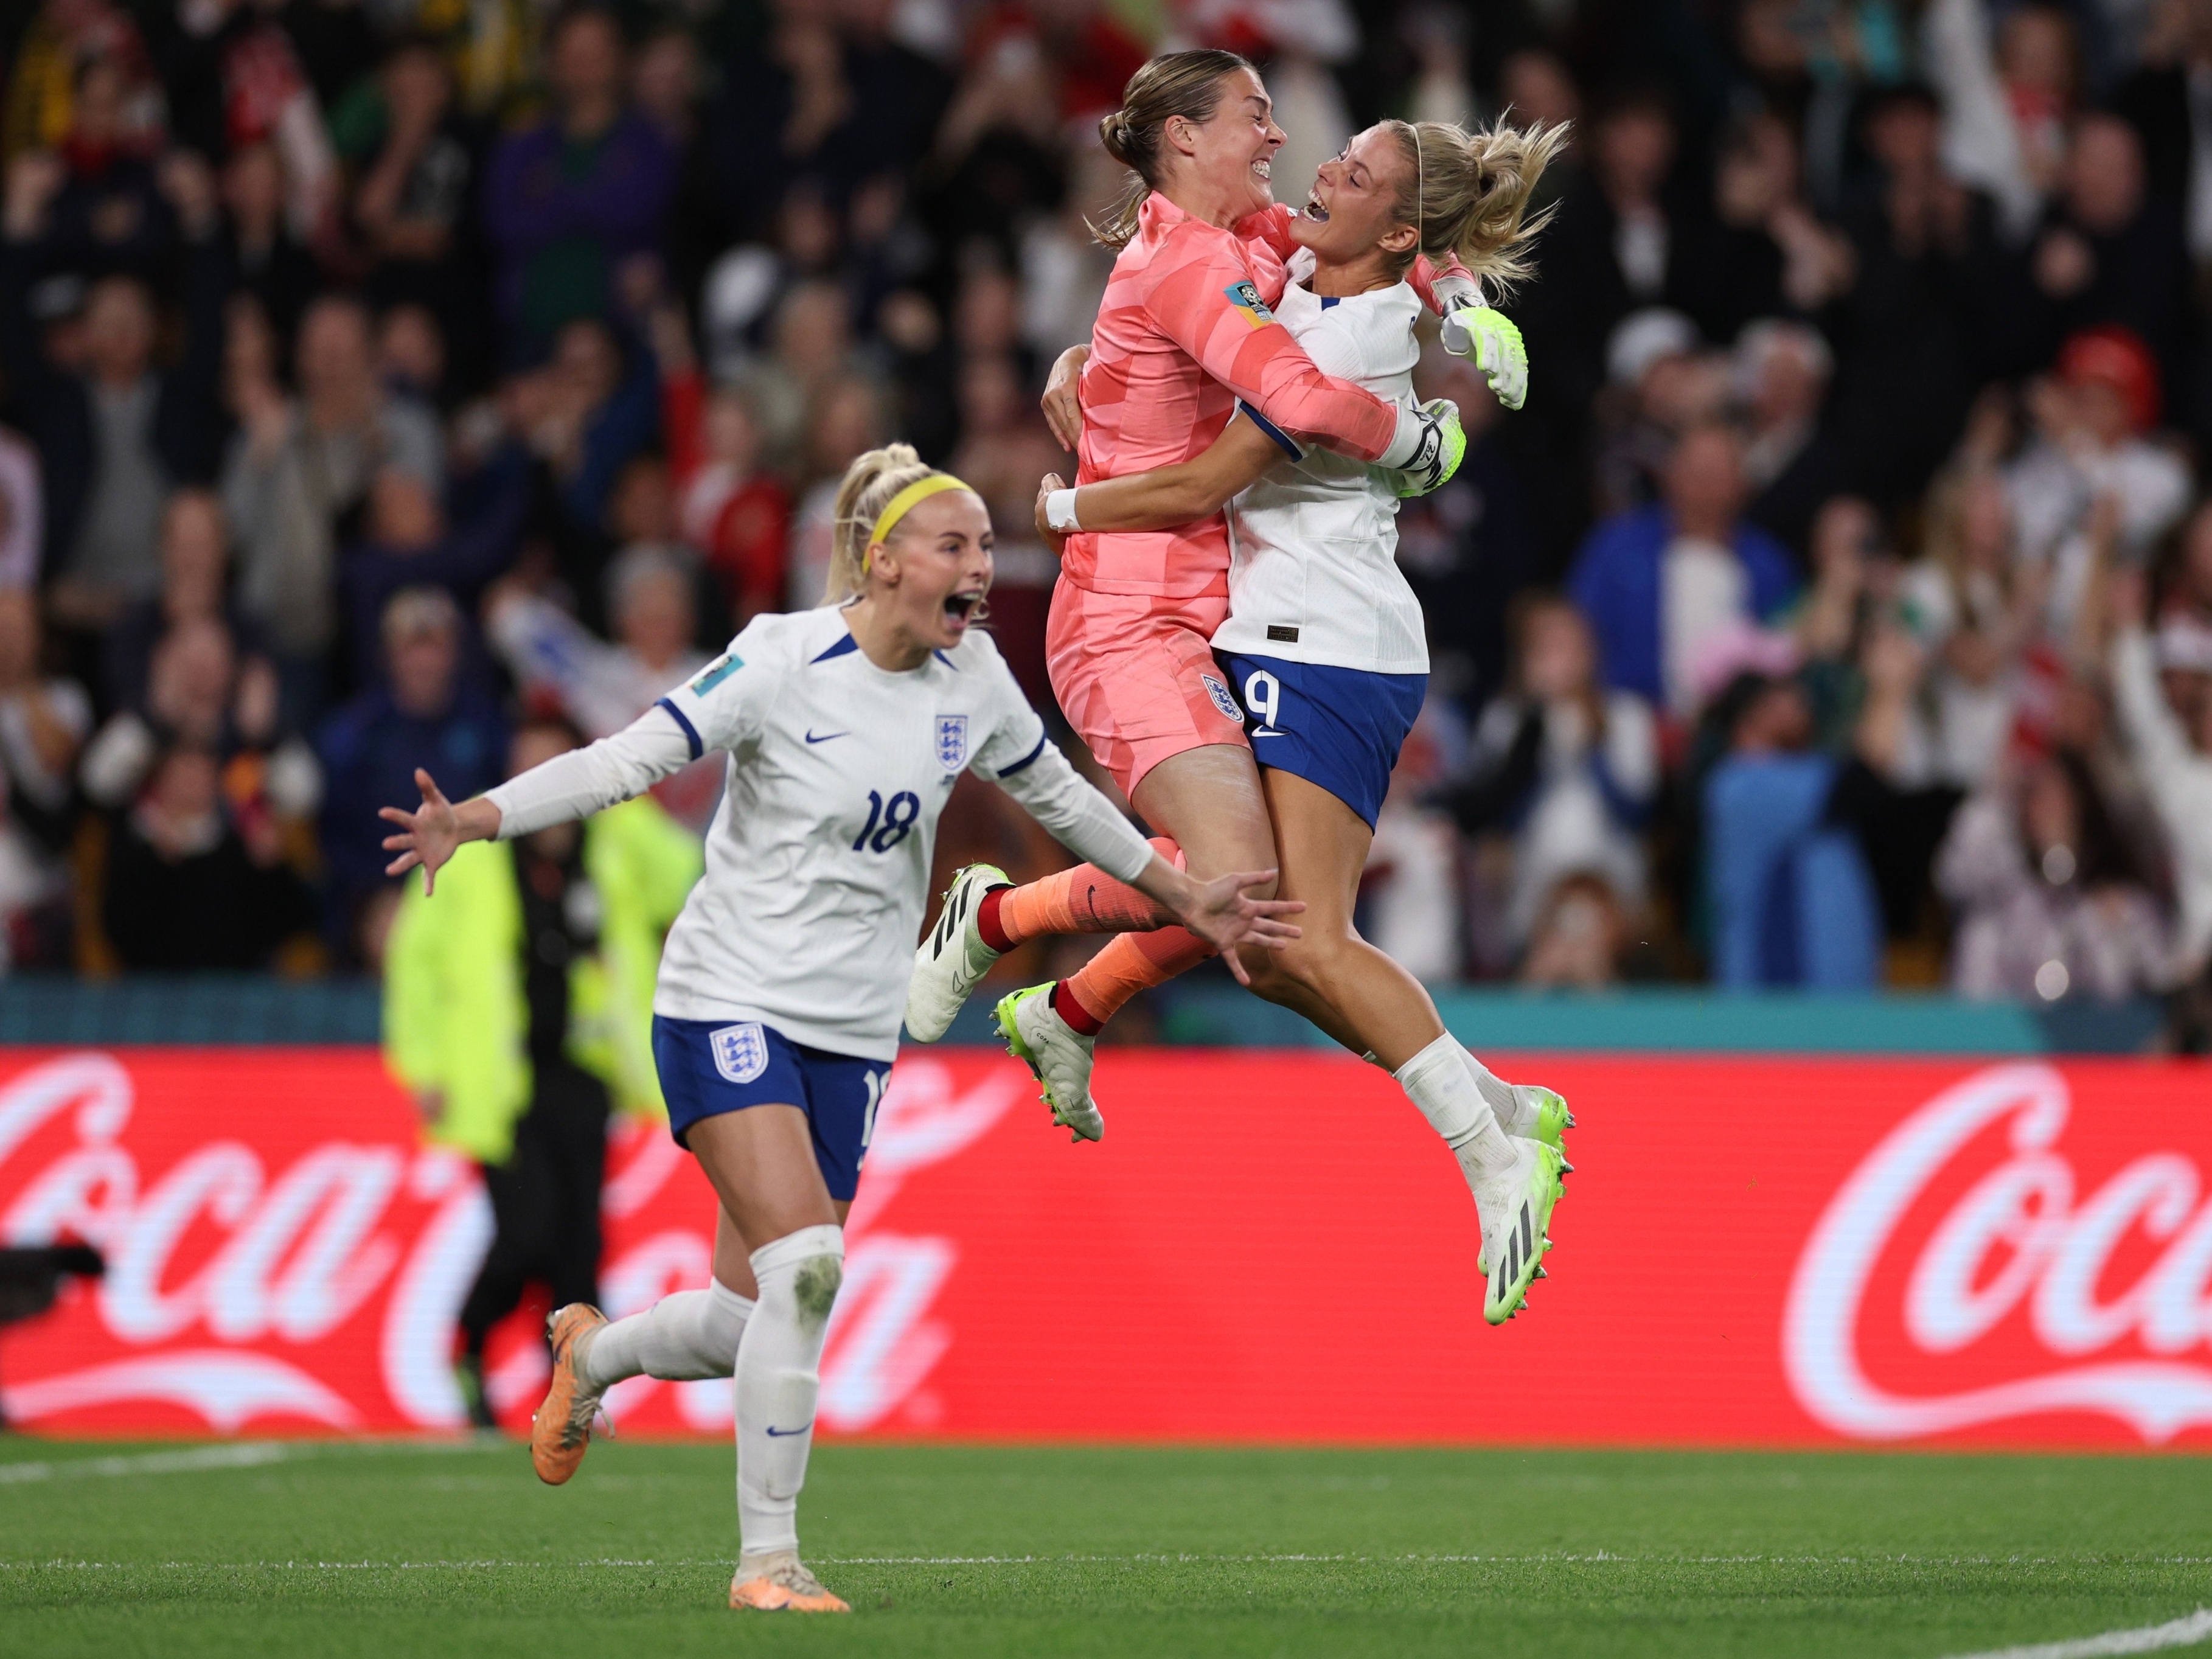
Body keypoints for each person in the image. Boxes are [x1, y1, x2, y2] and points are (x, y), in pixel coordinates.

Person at [375, 446, 1299, 1613]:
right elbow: (630, 758)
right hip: (725, 1000)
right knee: (808, 1268)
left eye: (981, 546)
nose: (981, 566)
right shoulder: (778, 658)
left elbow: (1064, 801)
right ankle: (768, 1562)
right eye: (956, 546)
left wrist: (1184, 896)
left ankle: (591, 1355)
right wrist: (479, 817)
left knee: (739, 1318)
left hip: (854, 1034)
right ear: (884, 561)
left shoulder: (974, 678)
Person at [908, 114, 1573, 1326]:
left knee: (1295, 937)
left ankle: (1491, 1145)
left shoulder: (1356, 335)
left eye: (1356, 174)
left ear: (1398, 226)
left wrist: (1061, 506)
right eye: (1337, 158)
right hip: (1287, 638)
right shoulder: (1314, 270)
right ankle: (1047, 979)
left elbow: (1207, 483)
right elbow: (1201, 294)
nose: (1322, 171)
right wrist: (1091, 368)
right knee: (1253, 919)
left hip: (1325, 650)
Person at [384, 717, 701, 1428]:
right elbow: (415, 965)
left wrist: (630, 793)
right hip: (498, 1083)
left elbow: (691, 876)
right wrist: (424, 1065)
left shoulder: (618, 841)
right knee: (527, 1231)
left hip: (586, 1075)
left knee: (579, 1246)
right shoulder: (470, 857)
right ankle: (471, 1346)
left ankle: (572, 1400)